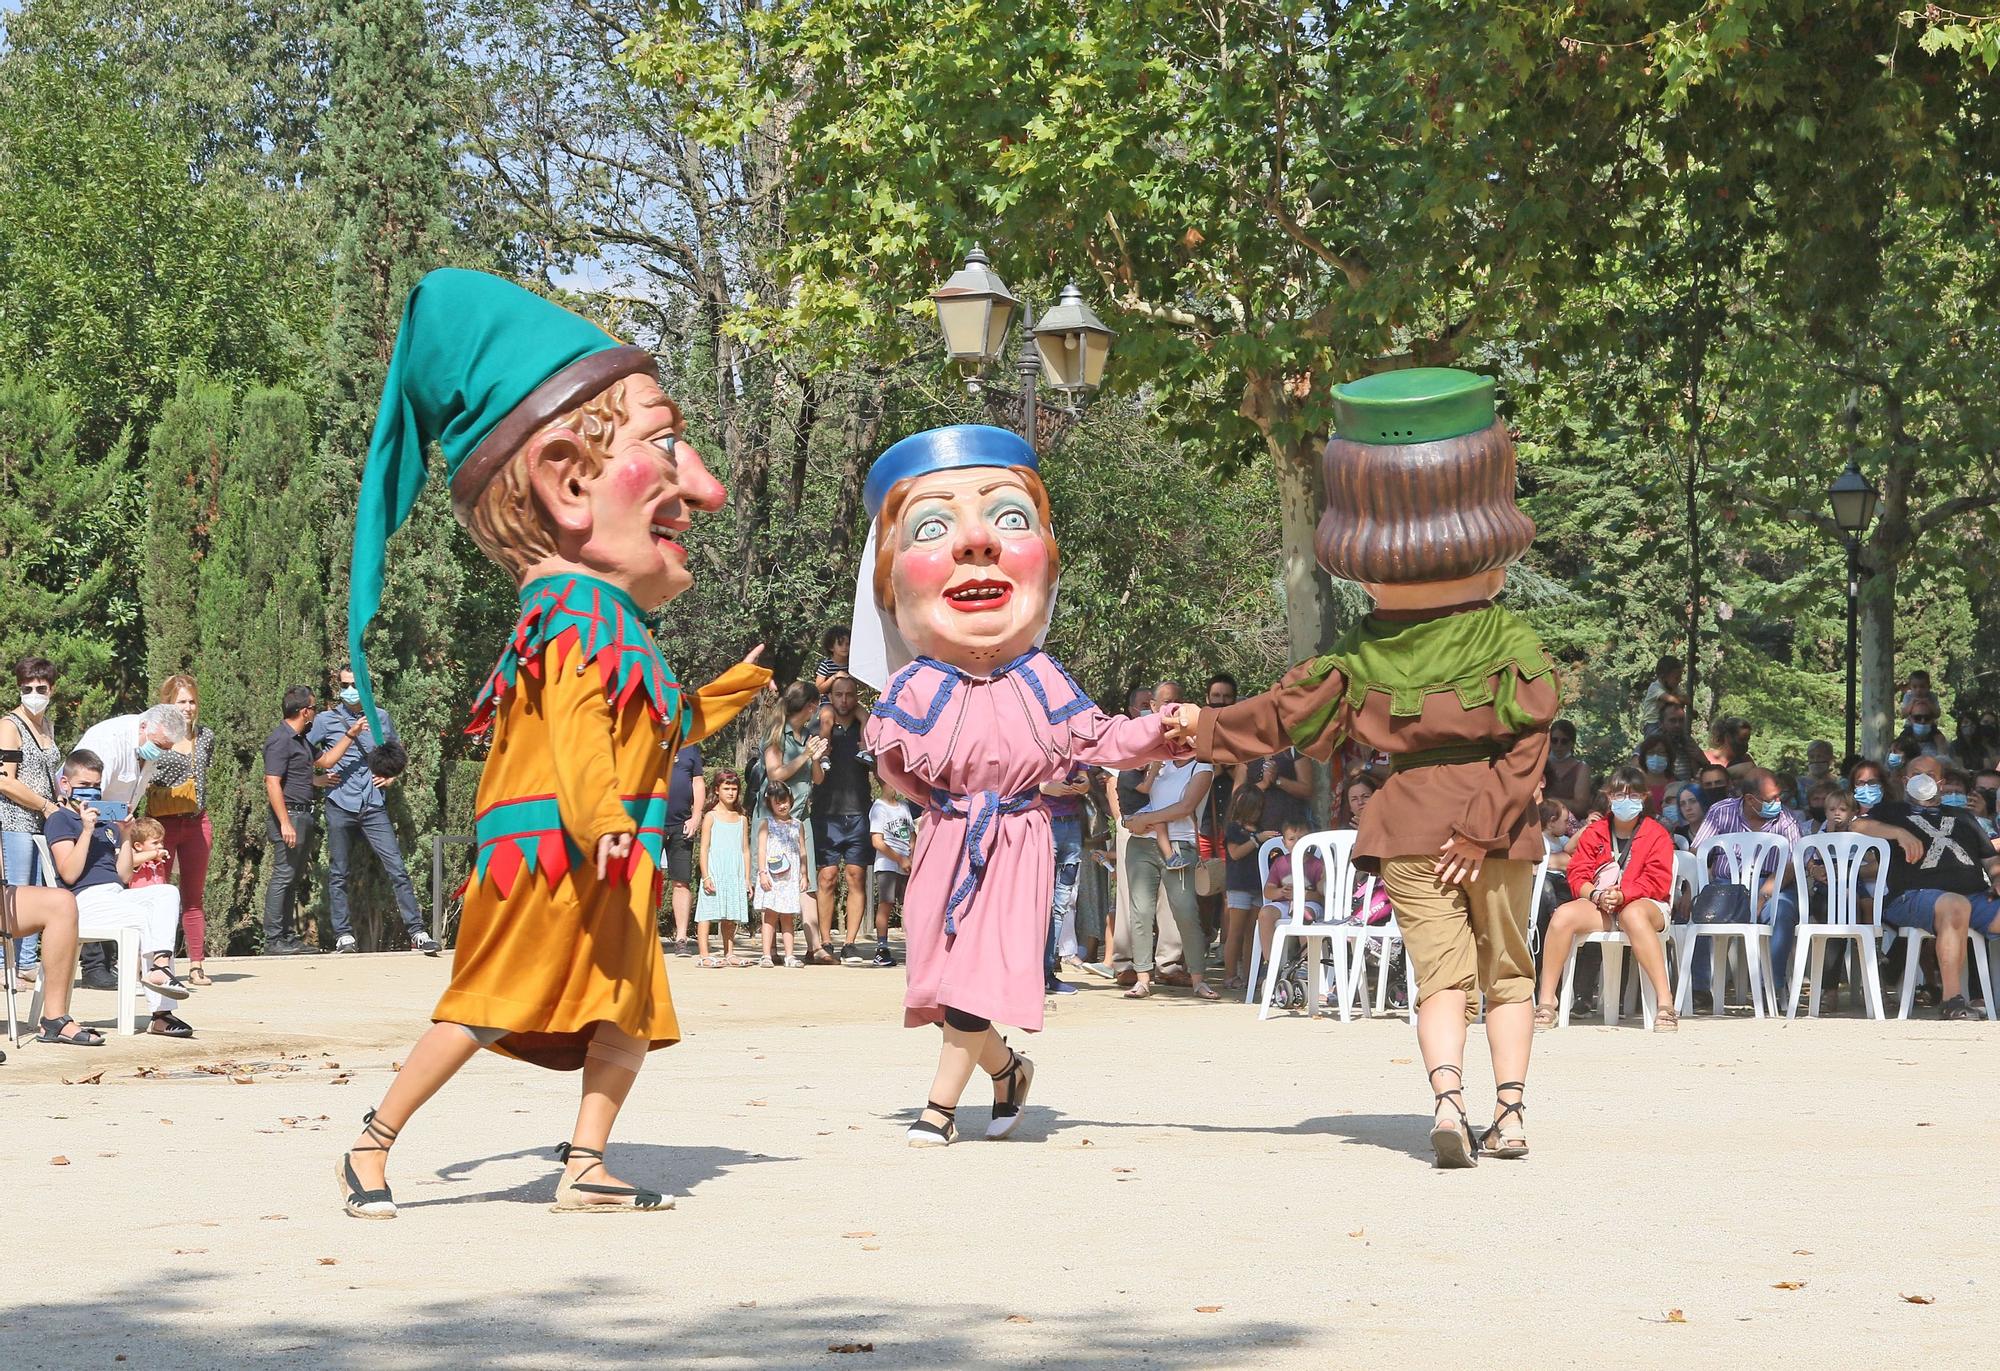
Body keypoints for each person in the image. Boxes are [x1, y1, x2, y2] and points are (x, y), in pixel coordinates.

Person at [332, 269, 770, 1219]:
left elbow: (657, 730)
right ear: (569, 481)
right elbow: (578, 728)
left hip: (607, 850)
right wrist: (605, 812)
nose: (704, 486)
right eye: (665, 443)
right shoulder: (574, 612)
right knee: (487, 1001)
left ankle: (585, 1163)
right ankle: (370, 1144)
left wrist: (740, 686)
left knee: (628, 1012)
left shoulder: (611, 620)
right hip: (555, 854)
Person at [1172, 367, 1554, 1168]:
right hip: (1501, 828)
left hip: (1412, 822)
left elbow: (1278, 715)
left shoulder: (1359, 653)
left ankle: (1447, 1098)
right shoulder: (1509, 639)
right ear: (1492, 555)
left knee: (1440, 975)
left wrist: (1201, 726)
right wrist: (1484, 827)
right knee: (1509, 973)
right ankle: (1509, 1114)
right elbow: (1529, 741)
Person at [850, 424, 1185, 1148]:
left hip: (1021, 836)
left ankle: (936, 1109)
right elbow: (893, 765)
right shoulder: (914, 686)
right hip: (947, 834)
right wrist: (942, 804)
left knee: (975, 979)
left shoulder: (1041, 677)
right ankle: (1009, 1071)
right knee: (943, 986)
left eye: (1009, 518)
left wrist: (1164, 728)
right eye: (933, 526)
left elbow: (1102, 740)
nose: (978, 544)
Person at [47, 749, 198, 1038]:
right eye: (84, 785)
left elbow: (125, 875)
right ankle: (161, 1011)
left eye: (95, 786)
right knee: (144, 917)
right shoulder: (61, 820)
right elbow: (68, 873)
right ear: (65, 784)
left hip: (114, 894)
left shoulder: (107, 826)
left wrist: (126, 834)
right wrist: (87, 831)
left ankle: (159, 968)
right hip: (81, 901)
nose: (91, 792)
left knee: (166, 893)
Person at [1853, 759, 2000, 1019]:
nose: (1923, 778)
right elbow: (1857, 825)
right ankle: (1952, 1001)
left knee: (1961, 904)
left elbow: (1990, 860)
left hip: (1975, 897)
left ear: (1941, 783)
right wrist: (1898, 833)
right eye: (1916, 774)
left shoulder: (1964, 817)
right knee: (1955, 904)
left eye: (1930, 775)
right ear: (1905, 780)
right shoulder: (1891, 811)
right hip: (1914, 896)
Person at [1534, 766, 1678, 1032]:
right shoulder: (1595, 832)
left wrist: (1624, 895)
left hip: (1646, 904)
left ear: (1645, 797)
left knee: (1632, 914)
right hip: (1602, 903)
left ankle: (1665, 1003)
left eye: (1633, 796)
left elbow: (1658, 882)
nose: (1627, 801)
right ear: (1608, 797)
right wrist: (1596, 894)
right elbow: (1577, 873)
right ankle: (1546, 1002)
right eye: (1620, 795)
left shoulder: (1656, 833)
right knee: (1563, 915)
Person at [311, 665, 440, 956]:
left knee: (396, 868)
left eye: (355, 684)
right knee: (339, 872)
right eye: (344, 685)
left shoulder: (380, 717)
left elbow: (396, 754)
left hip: (372, 804)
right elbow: (297, 754)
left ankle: (417, 932)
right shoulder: (326, 720)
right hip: (339, 803)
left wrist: (392, 776)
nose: (349, 690)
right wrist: (314, 779)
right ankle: (343, 937)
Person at [1688, 768, 1805, 1004]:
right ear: (1750, 799)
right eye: (1771, 799)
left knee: (1781, 912)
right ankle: (1700, 989)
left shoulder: (1787, 819)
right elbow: (1696, 852)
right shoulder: (1720, 812)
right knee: (1699, 913)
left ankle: (1768, 988)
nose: (1778, 803)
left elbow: (1793, 863)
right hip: (1726, 886)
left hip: (1774, 885)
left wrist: (1763, 895)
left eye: (1779, 796)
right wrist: (1689, 890)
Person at [1121, 753, 1216, 1000]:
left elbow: (1186, 807)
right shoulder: (1158, 761)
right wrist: (1130, 822)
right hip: (1141, 844)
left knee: (1185, 911)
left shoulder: (1202, 766)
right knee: (1140, 911)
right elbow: (1130, 793)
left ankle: (1198, 979)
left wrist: (1144, 820)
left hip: (1180, 844)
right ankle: (1143, 978)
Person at [146, 675, 218, 984]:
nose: (187, 707)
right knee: (155, 893)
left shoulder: (206, 736)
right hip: (161, 824)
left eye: (191, 701)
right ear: (167, 704)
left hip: (196, 821)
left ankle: (196, 964)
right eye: (181, 701)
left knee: (193, 895)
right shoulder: (156, 737)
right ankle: (154, 963)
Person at [0, 655, 63, 990]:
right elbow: (4, 781)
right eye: (27, 688)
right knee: (15, 896)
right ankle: (4, 966)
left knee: (39, 893)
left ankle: (25, 964)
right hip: (15, 820)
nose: (34, 693)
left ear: (52, 688)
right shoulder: (10, 726)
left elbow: (48, 771)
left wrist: (59, 798)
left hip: (42, 821)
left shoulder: (47, 725)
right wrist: (44, 805)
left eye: (41, 687)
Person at [760, 682, 825, 949]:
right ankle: (771, 948)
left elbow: (818, 780)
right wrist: (805, 756)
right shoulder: (776, 734)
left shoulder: (809, 735)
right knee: (774, 878)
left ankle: (815, 947)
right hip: (773, 819)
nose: (818, 710)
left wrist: (817, 758)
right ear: (809, 706)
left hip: (801, 817)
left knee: (805, 878)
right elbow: (774, 773)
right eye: (816, 704)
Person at [814, 673, 874, 964]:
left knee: (856, 877)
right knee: (827, 877)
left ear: (856, 697)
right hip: (826, 812)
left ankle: (850, 943)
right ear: (831, 696)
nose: (844, 700)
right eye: (839, 694)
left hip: (859, 811)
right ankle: (825, 941)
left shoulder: (866, 728)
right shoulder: (821, 725)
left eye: (850, 695)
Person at [261, 686, 323, 955]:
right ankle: (274, 939)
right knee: (283, 876)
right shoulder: (280, 740)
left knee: (292, 877)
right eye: (315, 708)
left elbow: (325, 761)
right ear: (305, 711)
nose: (316, 713)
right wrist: (285, 822)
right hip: (290, 815)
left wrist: (350, 735)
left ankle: (286, 936)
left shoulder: (300, 740)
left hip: (303, 814)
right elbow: (272, 783)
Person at [1039, 761, 1089, 992]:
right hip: (1044, 824)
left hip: (1071, 826)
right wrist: (1043, 787)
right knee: (1038, 903)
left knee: (1061, 904)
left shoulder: (1074, 744)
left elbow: (1084, 778)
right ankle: (1032, 973)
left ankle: (1047, 972)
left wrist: (1082, 785)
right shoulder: (1034, 738)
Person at [694, 771, 751, 967]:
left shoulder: (742, 819)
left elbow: (745, 850)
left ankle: (730, 953)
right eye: (726, 788)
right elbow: (704, 848)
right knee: (707, 912)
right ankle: (704, 954)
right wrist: (706, 875)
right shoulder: (710, 816)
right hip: (715, 870)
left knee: (730, 914)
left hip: (734, 871)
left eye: (734, 789)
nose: (731, 793)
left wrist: (746, 877)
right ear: (717, 790)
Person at [1218, 787, 1272, 990]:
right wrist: (1257, 840)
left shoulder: (1260, 829)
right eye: (1253, 808)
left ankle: (1250, 976)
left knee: (1253, 933)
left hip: (1258, 886)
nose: (1257, 812)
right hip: (1239, 885)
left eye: (1260, 808)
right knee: (1236, 932)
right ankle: (1230, 975)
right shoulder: (1233, 829)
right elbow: (1235, 853)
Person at [755, 784, 808, 967]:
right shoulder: (766, 824)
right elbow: (761, 850)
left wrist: (804, 875)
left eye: (784, 801)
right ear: (770, 804)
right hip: (771, 875)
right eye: (777, 803)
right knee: (770, 914)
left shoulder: (798, 825)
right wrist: (762, 873)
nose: (782, 806)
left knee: (787, 916)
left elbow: (802, 851)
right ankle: (766, 955)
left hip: (790, 877)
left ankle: (790, 955)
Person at [867, 775, 917, 968]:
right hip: (887, 864)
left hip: (907, 863)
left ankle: (912, 947)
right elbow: (877, 841)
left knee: (909, 906)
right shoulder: (879, 808)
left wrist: (912, 856)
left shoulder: (904, 807)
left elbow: (912, 834)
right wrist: (899, 858)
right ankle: (881, 949)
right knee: (886, 904)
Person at [661, 742, 704, 956]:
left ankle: (681, 939)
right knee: (645, 880)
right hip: (651, 823)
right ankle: (643, 938)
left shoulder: (691, 746)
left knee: (681, 881)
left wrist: (696, 817)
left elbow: (697, 782)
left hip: (682, 824)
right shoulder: (648, 738)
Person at [1543, 720, 1593, 820]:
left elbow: (1580, 807)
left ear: (1572, 743)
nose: (1558, 745)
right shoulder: (1541, 764)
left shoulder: (1581, 768)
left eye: (1564, 741)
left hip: (1569, 826)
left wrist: (1546, 800)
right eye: (1554, 740)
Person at [1640, 656, 1683, 729]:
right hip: (1653, 723)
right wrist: (1686, 701)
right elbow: (1673, 700)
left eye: (1680, 677)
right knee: (1657, 737)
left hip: (1666, 722)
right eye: (1676, 678)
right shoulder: (1655, 688)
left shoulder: (1674, 687)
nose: (1680, 680)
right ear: (1663, 677)